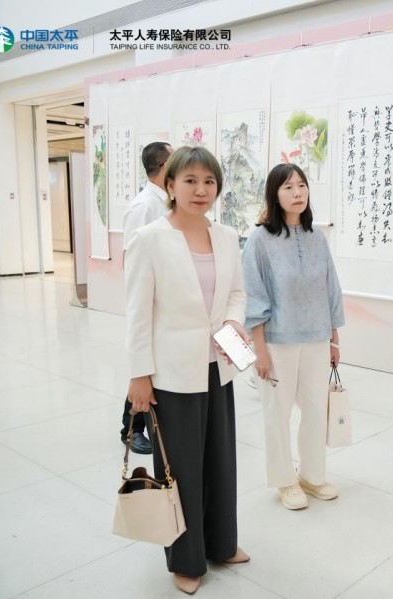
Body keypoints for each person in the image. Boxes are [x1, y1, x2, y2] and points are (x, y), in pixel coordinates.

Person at [125, 146, 250, 594]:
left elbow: (236, 293)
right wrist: (139, 374)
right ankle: (186, 559)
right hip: (172, 374)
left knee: (220, 461)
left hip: (218, 366)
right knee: (179, 469)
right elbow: (137, 312)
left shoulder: (227, 236)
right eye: (191, 181)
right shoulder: (150, 239)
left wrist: (233, 321)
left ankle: (221, 543)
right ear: (170, 185)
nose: (201, 190)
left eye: (209, 182)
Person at [243, 163, 345, 511]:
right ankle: (284, 480)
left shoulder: (317, 238)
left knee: (316, 410)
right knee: (277, 414)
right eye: (288, 187)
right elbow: (253, 296)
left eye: (301, 185)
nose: (297, 193)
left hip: (316, 338)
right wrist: (259, 350)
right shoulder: (259, 240)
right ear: (274, 194)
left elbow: (330, 289)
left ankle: (312, 475)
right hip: (276, 342)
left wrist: (333, 339)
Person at [119, 141, 173, 454]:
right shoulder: (143, 206)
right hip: (150, 302)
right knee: (143, 369)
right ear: (164, 166)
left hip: (169, 300)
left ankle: (149, 425)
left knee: (156, 370)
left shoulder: (166, 201)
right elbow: (133, 260)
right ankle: (131, 429)